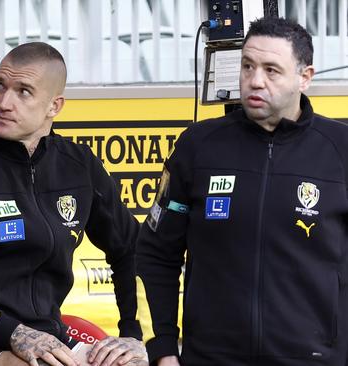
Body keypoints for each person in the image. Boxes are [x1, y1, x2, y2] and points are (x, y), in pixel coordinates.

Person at [135, 17, 348, 366]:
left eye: (271, 70)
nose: (255, 80)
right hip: (211, 358)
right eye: (247, 66)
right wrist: (162, 348)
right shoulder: (198, 146)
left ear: (305, 78)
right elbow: (156, 253)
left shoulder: (340, 149)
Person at [0, 42, 146, 366]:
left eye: (23, 91)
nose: (4, 103)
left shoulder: (78, 165)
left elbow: (133, 250)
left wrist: (133, 335)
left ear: (55, 105)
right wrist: (10, 332)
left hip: (49, 335)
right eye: (0, 86)